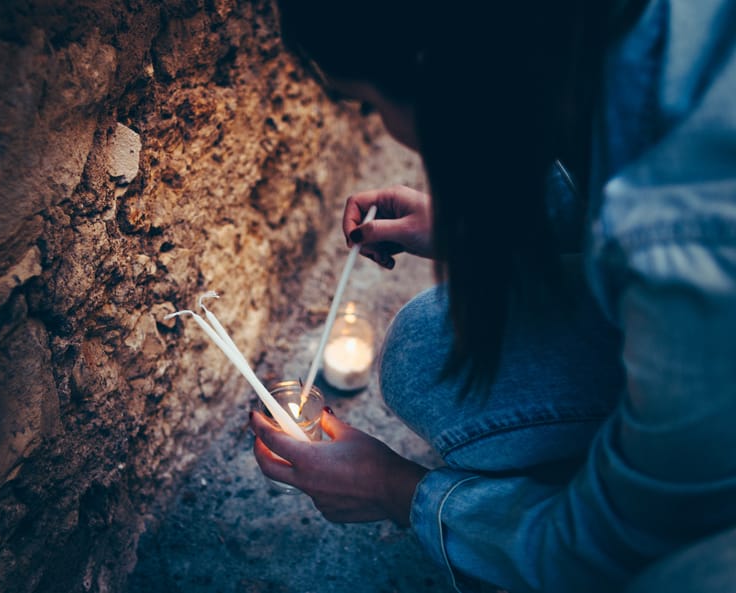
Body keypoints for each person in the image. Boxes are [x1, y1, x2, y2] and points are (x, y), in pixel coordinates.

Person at [249, 1, 736, 592]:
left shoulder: (687, 230)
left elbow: (605, 548)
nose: (389, 129)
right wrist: (484, 224)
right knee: (424, 354)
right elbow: (605, 169)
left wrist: (395, 489)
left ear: (438, 66)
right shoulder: (602, 35)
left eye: (372, 105)